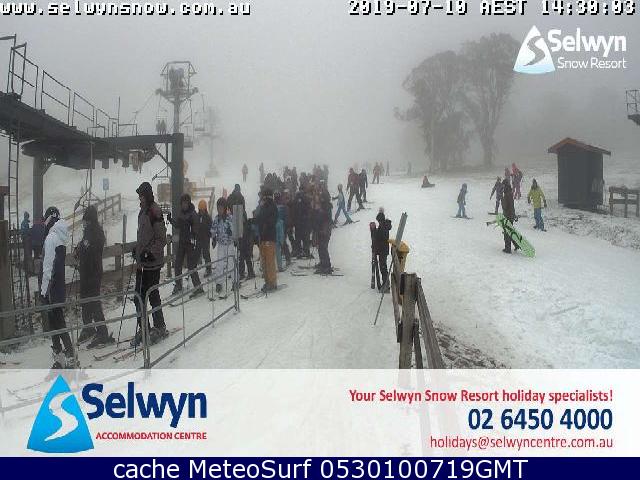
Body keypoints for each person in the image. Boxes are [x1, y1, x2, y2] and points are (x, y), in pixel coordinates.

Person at [131, 182, 168, 347]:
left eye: (142, 195)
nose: (140, 198)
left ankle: (160, 326)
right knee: (138, 297)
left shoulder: (155, 211)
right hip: (142, 263)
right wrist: (137, 250)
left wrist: (150, 252)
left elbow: (162, 239)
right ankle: (144, 327)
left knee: (152, 295)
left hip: (153, 263)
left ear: (147, 195)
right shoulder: (142, 211)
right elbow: (143, 236)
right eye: (139, 195)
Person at [40, 206, 75, 368]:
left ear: (50, 218)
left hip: (51, 287)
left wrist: (44, 291)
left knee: (56, 322)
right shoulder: (60, 237)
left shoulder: (51, 238)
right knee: (56, 321)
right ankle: (61, 355)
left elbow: (48, 267)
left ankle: (68, 354)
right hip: (58, 285)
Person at [75, 205, 114, 348]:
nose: (84, 223)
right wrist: (79, 249)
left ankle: (102, 332)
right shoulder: (88, 232)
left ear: (90, 219)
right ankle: (88, 327)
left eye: (86, 220)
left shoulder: (96, 233)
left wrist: (83, 249)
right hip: (86, 272)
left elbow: (93, 251)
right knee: (85, 300)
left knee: (94, 302)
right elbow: (85, 247)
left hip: (93, 272)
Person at [167, 193, 204, 297]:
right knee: (178, 264)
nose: (184, 205)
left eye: (186, 203)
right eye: (182, 203)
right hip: (182, 243)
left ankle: (198, 287)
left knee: (191, 265)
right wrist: (170, 220)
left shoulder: (193, 214)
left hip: (190, 243)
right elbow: (178, 225)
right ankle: (178, 285)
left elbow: (196, 228)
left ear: (189, 203)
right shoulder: (181, 213)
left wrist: (193, 237)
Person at [210, 197, 235, 294]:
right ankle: (219, 283)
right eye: (218, 208)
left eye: (221, 208)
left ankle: (235, 281)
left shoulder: (229, 217)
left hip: (229, 243)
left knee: (231, 263)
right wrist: (213, 238)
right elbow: (213, 229)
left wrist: (231, 232)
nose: (219, 210)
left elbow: (234, 229)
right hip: (221, 244)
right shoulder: (217, 218)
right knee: (219, 263)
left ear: (225, 208)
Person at [256, 188, 278, 292]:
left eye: (263, 196)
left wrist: (265, 224)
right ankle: (267, 281)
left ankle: (272, 282)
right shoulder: (263, 207)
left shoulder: (272, 206)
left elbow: (272, 221)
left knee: (269, 261)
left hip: (269, 237)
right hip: (263, 237)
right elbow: (259, 218)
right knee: (264, 261)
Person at [312, 187, 333, 275]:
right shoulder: (323, 206)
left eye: (321, 198)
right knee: (321, 248)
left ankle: (326, 266)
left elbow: (324, 218)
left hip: (324, 230)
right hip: (322, 229)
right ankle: (323, 263)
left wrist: (318, 212)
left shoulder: (326, 206)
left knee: (323, 247)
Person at [373, 210, 392, 292]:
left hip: (382, 250)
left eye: (378, 221)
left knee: (383, 267)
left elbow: (381, 238)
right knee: (383, 267)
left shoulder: (383, 227)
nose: (378, 222)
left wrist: (375, 231)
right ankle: (386, 283)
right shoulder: (384, 226)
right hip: (383, 250)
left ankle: (386, 284)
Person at [292, 186, 311, 258]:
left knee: (298, 237)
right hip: (305, 221)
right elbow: (309, 209)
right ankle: (306, 251)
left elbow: (294, 210)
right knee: (305, 237)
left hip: (298, 222)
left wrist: (294, 221)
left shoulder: (296, 198)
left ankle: (299, 251)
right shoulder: (306, 198)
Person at [196, 200, 213, 277]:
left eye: (203, 210)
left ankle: (208, 269)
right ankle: (193, 269)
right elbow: (194, 226)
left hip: (205, 238)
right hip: (198, 238)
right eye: (200, 210)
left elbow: (211, 227)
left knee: (206, 254)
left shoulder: (208, 217)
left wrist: (209, 233)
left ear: (205, 209)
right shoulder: (197, 216)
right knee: (196, 254)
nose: (202, 211)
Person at [501, 179, 518, 254]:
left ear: (505, 185)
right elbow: (511, 206)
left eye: (503, 185)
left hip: (508, 216)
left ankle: (507, 249)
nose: (502, 187)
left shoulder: (507, 194)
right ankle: (516, 244)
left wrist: (502, 199)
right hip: (509, 216)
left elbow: (507, 206)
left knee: (507, 233)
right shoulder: (508, 193)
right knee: (510, 232)